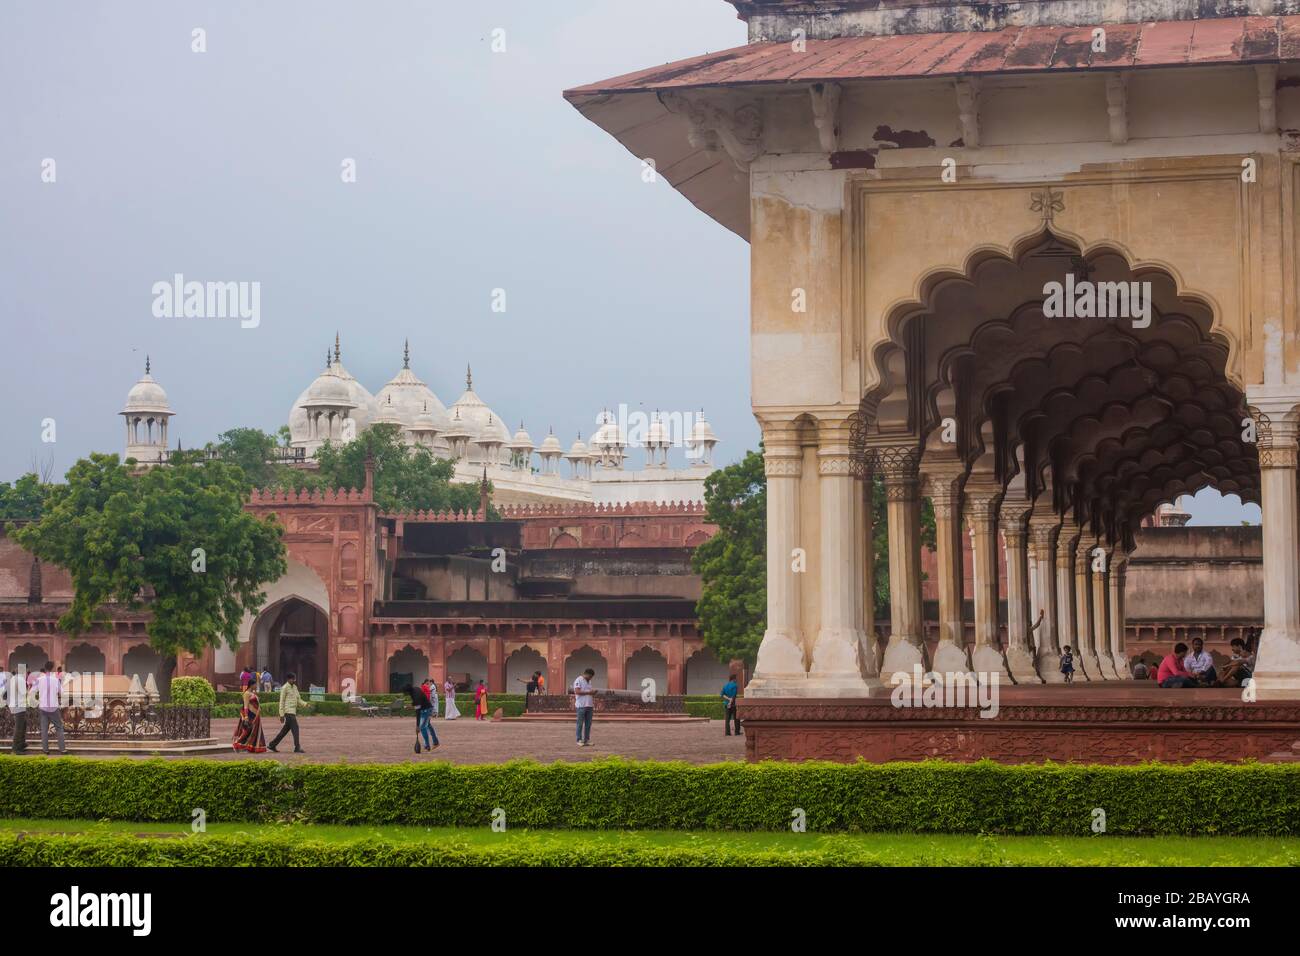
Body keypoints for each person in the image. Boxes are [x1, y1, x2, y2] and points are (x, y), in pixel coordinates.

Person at [268, 671, 306, 753]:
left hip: (293, 711)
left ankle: (272, 745)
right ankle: (297, 747)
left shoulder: (295, 687)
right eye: (292, 679)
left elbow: (298, 699)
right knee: (296, 729)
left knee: (284, 731)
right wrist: (281, 714)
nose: (294, 680)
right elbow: (281, 701)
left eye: (294, 679)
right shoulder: (284, 688)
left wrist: (305, 704)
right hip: (288, 712)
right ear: (288, 679)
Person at [33, 662, 66, 756]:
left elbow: (32, 691)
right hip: (54, 707)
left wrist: (38, 699)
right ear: (53, 668)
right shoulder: (55, 680)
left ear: (44, 668)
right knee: (59, 728)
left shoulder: (39, 680)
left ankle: (45, 750)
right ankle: (62, 749)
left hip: (43, 707)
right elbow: (62, 693)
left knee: (44, 729)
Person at [232, 676, 267, 752]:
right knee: (247, 731)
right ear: (251, 685)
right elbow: (245, 705)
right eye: (255, 684)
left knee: (254, 731)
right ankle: (237, 744)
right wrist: (246, 716)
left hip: (255, 715)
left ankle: (250, 747)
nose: (256, 686)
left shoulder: (252, 693)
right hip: (250, 715)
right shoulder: (246, 693)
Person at [405, 682, 439, 753]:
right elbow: (417, 703)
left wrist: (417, 726)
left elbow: (418, 710)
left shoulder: (415, 693)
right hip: (425, 709)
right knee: (428, 725)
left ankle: (427, 746)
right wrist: (411, 706)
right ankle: (436, 742)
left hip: (426, 710)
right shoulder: (415, 690)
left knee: (422, 727)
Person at [573, 667, 596, 747]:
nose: (590, 678)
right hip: (581, 705)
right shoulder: (578, 680)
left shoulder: (589, 681)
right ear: (586, 674)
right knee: (580, 723)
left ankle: (586, 739)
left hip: (589, 704)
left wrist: (592, 693)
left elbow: (588, 692)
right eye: (590, 676)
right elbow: (577, 691)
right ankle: (579, 739)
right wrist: (589, 692)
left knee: (588, 724)